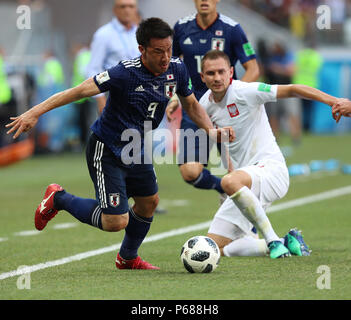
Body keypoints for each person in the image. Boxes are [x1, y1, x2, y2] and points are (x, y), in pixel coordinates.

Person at [6, 18, 234, 270]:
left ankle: (127, 258)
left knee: (149, 202)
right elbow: (78, 91)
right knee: (115, 221)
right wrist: (34, 112)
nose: (165, 57)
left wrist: (212, 132)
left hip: (135, 148)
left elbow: (191, 105)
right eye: (158, 51)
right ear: (142, 50)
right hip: (107, 148)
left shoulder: (177, 69)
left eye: (169, 49)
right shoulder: (123, 72)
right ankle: (59, 199)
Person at [194, 50, 347, 258]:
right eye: (211, 73)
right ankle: (286, 241)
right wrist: (231, 172)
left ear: (231, 72)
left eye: (221, 71)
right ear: (202, 77)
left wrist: (334, 101)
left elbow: (293, 89)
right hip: (243, 182)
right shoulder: (205, 105)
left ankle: (272, 239)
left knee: (229, 182)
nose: (217, 78)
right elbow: (222, 143)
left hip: (271, 170)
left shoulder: (245, 91)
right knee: (215, 248)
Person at [166, 0, 259, 203]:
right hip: (195, 109)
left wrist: (235, 95)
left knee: (237, 172)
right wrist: (173, 95)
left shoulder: (232, 29)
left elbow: (253, 69)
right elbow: (171, 67)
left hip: (225, 111)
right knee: (190, 172)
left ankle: (252, 227)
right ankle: (222, 188)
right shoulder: (181, 28)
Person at [86, 0, 140, 114]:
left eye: (131, 6)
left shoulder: (140, 33)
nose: (127, 10)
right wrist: (100, 98)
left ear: (136, 9)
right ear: (115, 10)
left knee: (140, 131)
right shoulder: (104, 34)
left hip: (139, 95)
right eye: (123, 6)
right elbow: (93, 68)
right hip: (113, 94)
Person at [264, 42, 302, 145]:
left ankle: (296, 137)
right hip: (273, 91)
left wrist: (277, 68)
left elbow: (291, 70)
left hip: (288, 90)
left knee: (292, 114)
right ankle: (274, 139)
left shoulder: (288, 56)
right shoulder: (270, 57)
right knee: (273, 115)